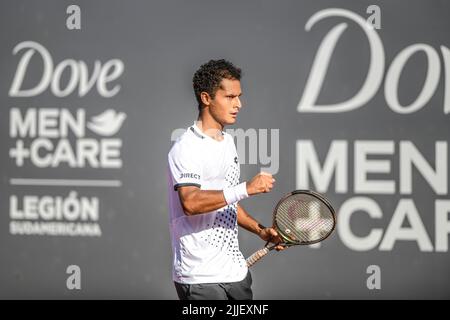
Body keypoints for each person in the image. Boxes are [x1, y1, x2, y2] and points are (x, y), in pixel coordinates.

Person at [167, 59, 284, 300]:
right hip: (200, 280)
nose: (238, 104)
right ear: (206, 98)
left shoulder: (227, 142)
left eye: (239, 96)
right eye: (230, 97)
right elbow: (190, 203)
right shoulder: (186, 147)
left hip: (236, 275)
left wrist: (260, 230)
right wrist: (246, 188)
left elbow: (225, 201)